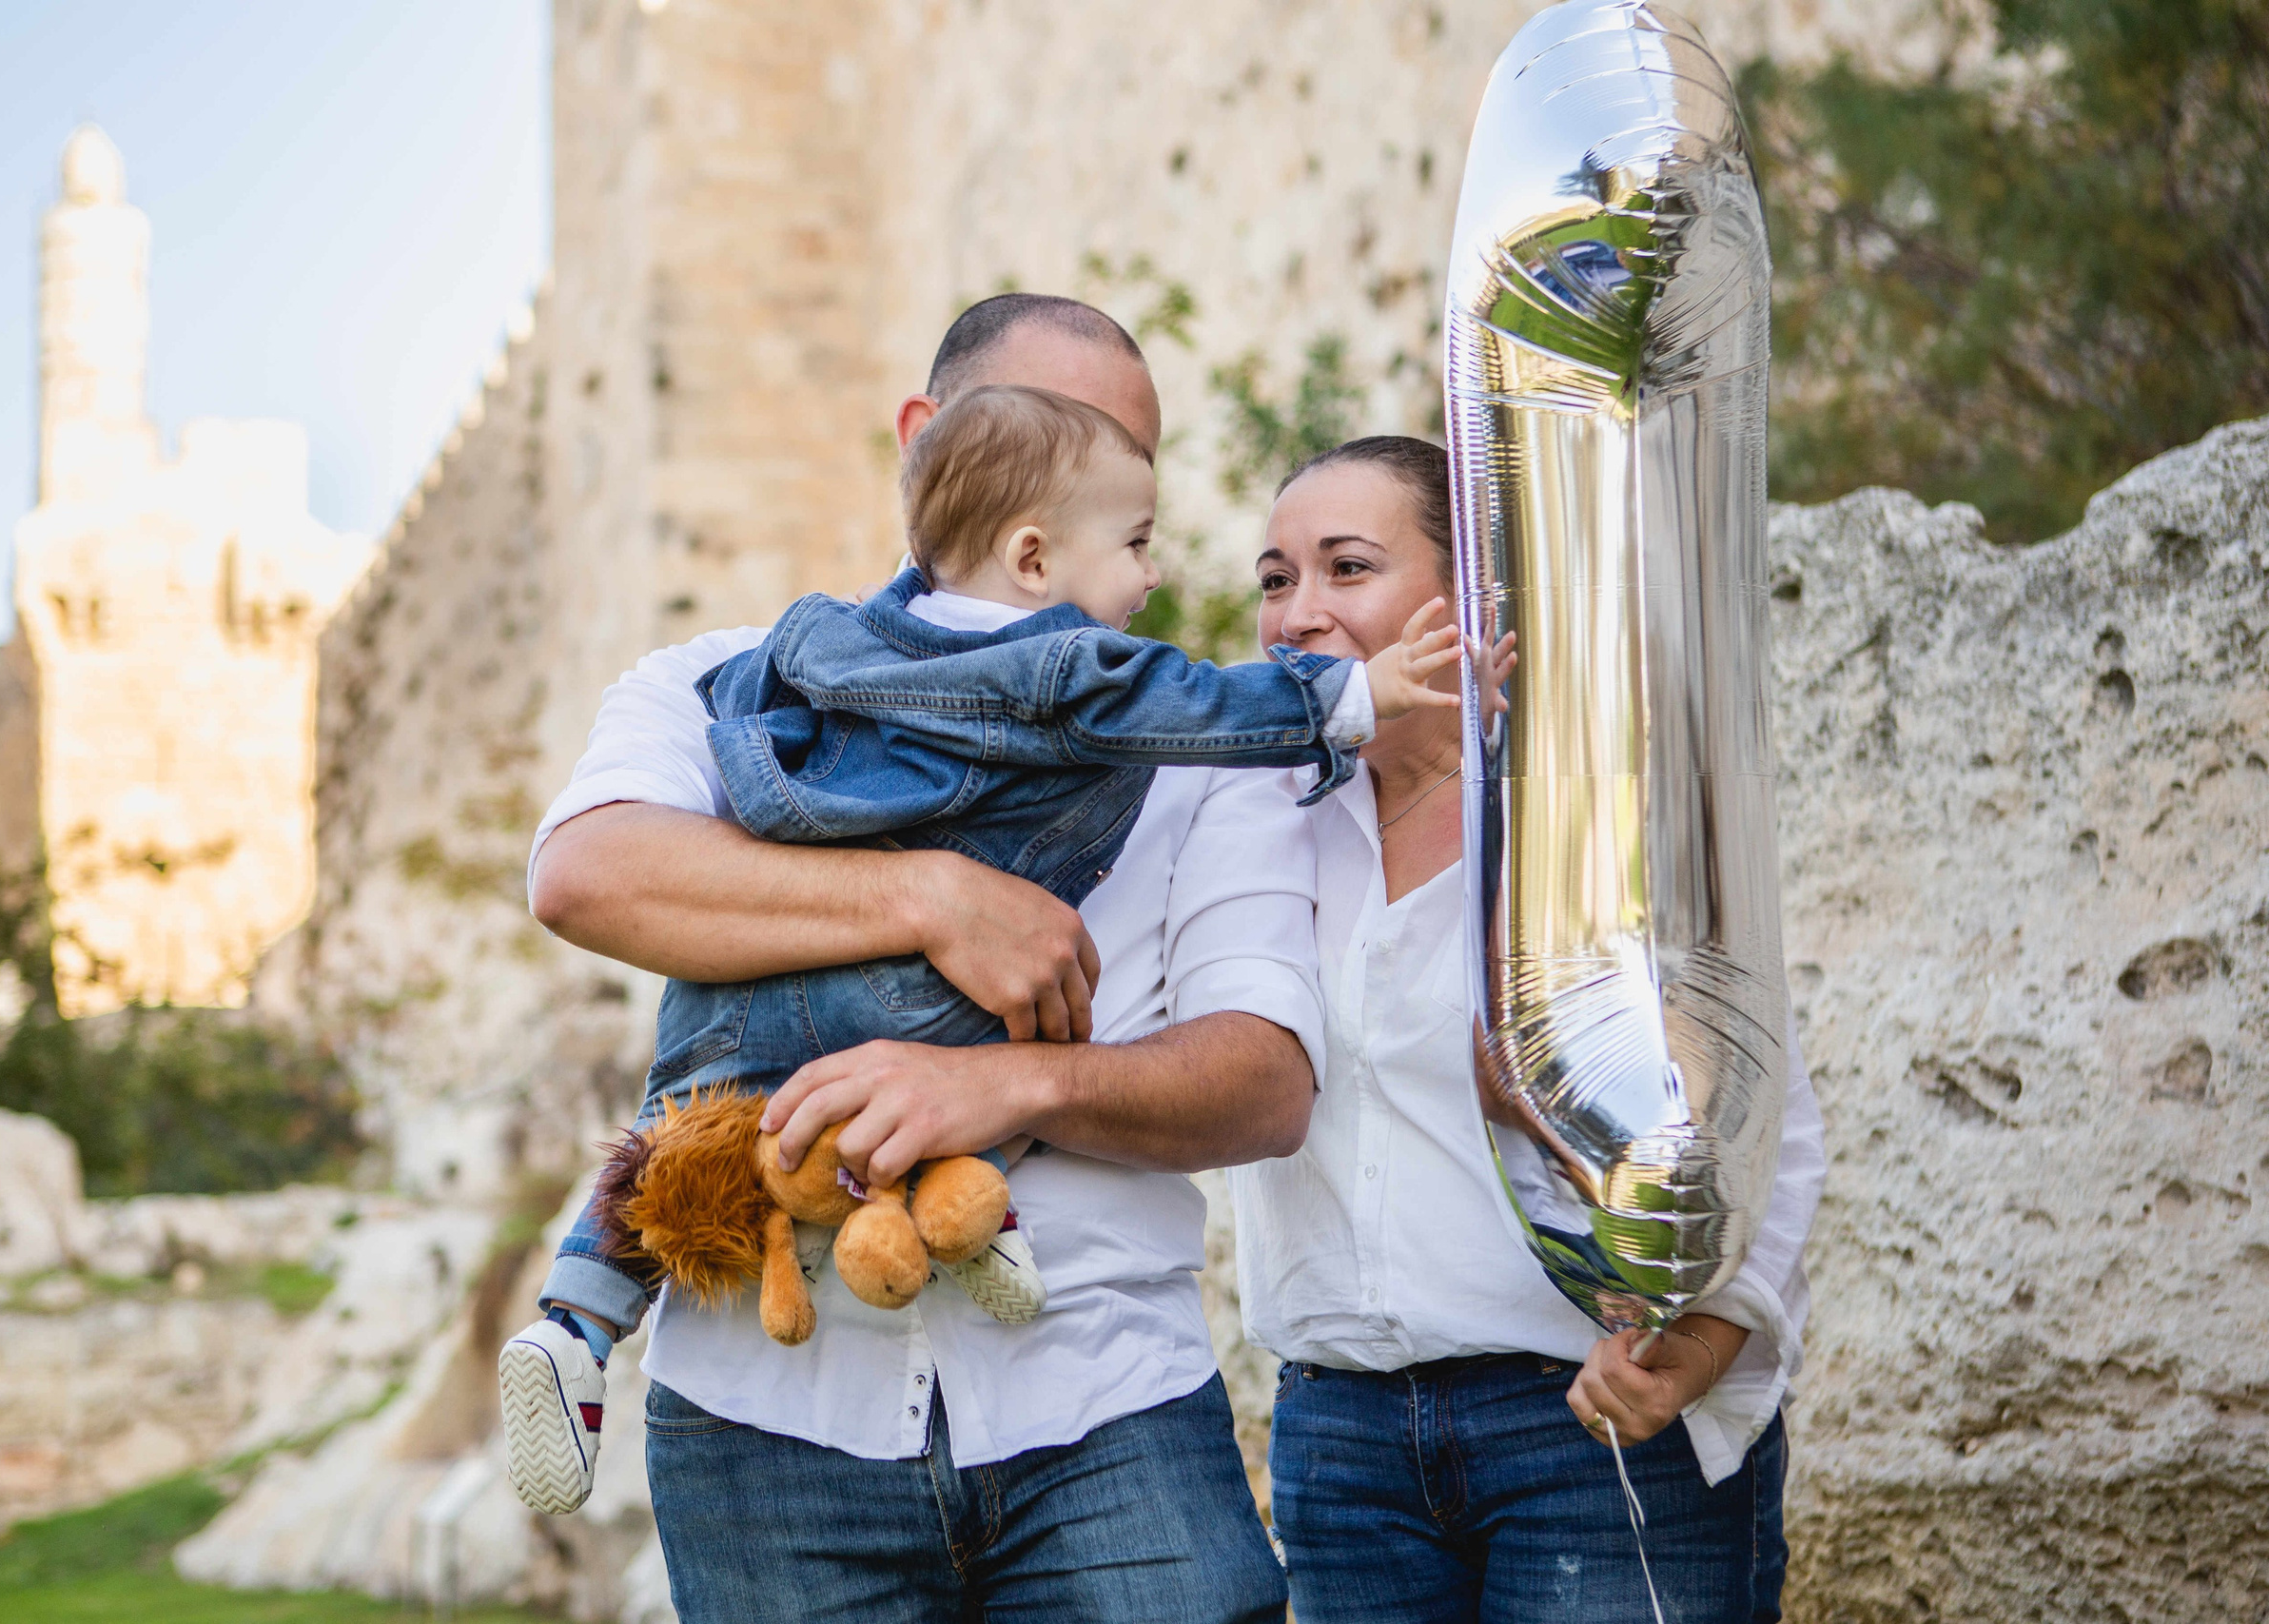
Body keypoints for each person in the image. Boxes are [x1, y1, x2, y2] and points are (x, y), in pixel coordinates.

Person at [508, 294, 1328, 1622]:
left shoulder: (1190, 738)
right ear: (929, 443)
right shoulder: (728, 684)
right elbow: (589, 875)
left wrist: (1014, 1088)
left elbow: (1266, 1081)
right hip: (765, 1429)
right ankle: (573, 1320)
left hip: (1106, 1405)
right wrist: (936, 898)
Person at [510, 383, 1466, 1393]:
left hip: (770, 1029)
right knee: (1003, 1023)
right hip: (809, 1400)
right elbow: (581, 875)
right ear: (1032, 554)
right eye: (1134, 540)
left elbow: (1263, 1084)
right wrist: (1354, 698)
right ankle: (980, 1231)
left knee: (677, 1121)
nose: (1151, 574)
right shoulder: (1079, 671)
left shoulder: (803, 647)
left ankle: (579, 1313)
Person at [1232, 435, 1826, 1623]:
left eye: (1346, 569)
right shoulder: (1252, 825)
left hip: (1584, 1428)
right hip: (1339, 1445)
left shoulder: (1593, 816)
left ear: (1468, 601)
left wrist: (1694, 1351)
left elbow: (1766, 1123)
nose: (1298, 613)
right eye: (1275, 577)